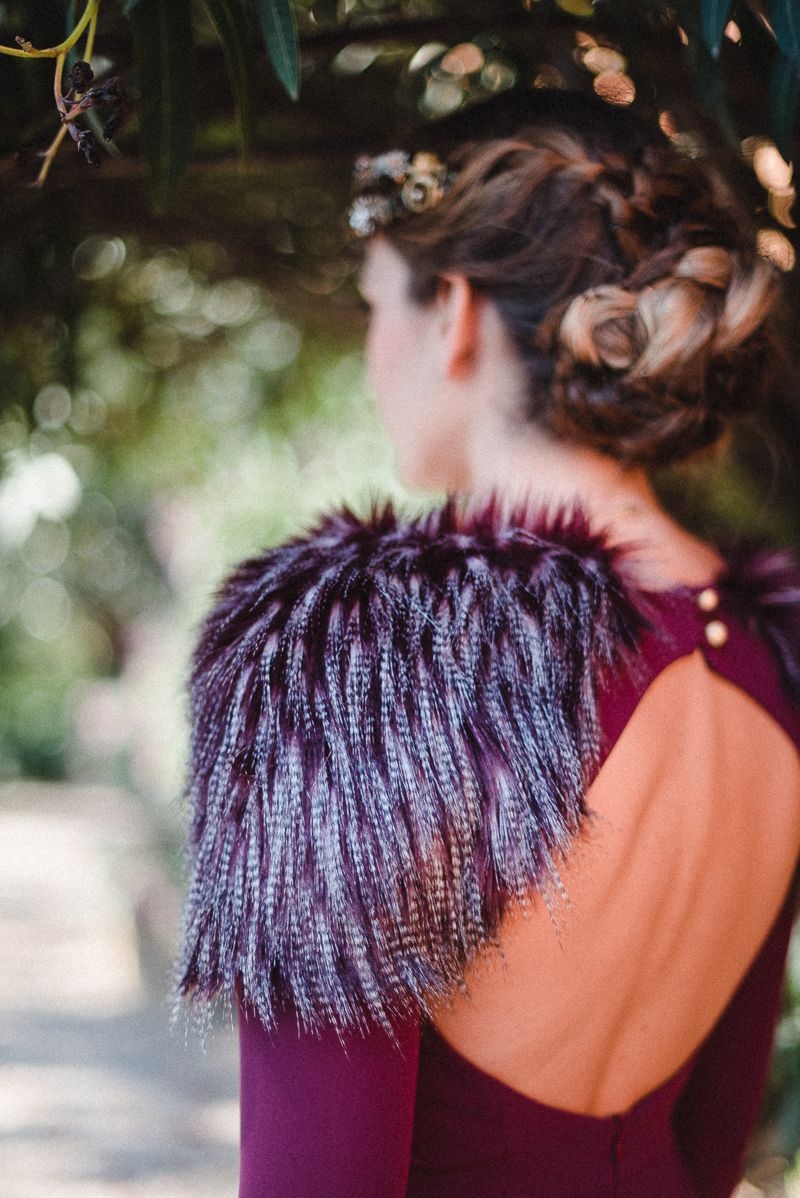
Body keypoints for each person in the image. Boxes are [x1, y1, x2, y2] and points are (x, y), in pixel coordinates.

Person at [177, 89, 800, 1197]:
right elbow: (711, 1148)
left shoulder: (371, 659)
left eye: (376, 307)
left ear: (451, 312)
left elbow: (320, 1176)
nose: (374, 357)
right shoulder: (765, 661)